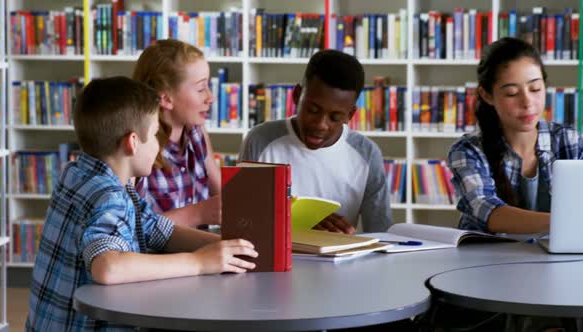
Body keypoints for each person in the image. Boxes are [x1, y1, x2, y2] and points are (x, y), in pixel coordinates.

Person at [25, 77, 257, 331]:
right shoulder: (108, 195)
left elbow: (157, 229)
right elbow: (108, 267)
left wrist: (225, 249)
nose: (160, 144)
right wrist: (200, 262)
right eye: (156, 134)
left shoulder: (77, 173)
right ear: (132, 142)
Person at [239, 49, 391, 233]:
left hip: (341, 259)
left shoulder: (367, 154)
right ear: (296, 96)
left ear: (350, 115)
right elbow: (242, 220)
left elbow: (380, 234)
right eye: (312, 110)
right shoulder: (260, 140)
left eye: (334, 117)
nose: (320, 125)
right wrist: (299, 220)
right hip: (274, 258)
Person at [448, 37, 583, 235]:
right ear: (487, 95)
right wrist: (566, 222)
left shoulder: (569, 141)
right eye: (512, 93)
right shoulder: (468, 151)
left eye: (535, 89)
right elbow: (487, 211)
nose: (528, 102)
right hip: (485, 262)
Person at [133, 39, 221, 227]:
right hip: (160, 256)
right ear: (166, 98)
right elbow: (132, 229)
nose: (211, 97)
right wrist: (197, 214)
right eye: (200, 88)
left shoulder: (196, 130)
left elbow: (221, 190)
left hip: (198, 250)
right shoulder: (139, 147)